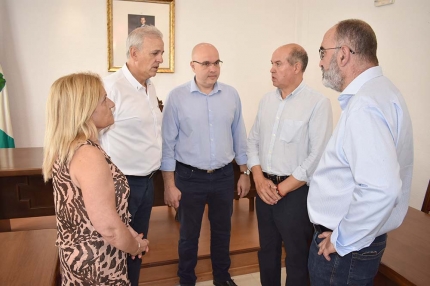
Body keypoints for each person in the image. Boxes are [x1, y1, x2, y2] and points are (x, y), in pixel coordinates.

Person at [307, 19, 414, 285]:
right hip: (358, 242)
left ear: (342, 54)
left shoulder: (364, 105)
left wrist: (342, 239)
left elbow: (382, 188)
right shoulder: (383, 91)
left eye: (323, 53)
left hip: (344, 252)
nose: (320, 62)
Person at [42, 73, 149, 285]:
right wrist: (135, 247)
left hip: (83, 258)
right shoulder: (88, 154)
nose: (111, 104)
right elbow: (108, 227)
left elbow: (94, 210)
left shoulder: (71, 147)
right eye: (103, 99)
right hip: (97, 265)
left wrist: (128, 233)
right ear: (84, 109)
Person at [161, 43, 250, 286]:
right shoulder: (177, 97)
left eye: (216, 63)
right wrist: (169, 184)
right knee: (189, 235)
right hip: (189, 177)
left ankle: (222, 277)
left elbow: (239, 135)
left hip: (223, 176)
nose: (213, 69)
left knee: (222, 232)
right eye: (206, 63)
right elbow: (167, 144)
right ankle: (186, 279)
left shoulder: (231, 95)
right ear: (192, 66)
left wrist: (244, 172)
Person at [247, 44, 333, 285]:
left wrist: (282, 188)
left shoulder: (317, 103)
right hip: (265, 189)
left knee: (297, 257)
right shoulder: (266, 101)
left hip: (296, 194)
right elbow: (252, 141)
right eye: (272, 64)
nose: (271, 69)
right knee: (267, 252)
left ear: (297, 67)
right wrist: (258, 178)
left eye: (277, 64)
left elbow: (316, 157)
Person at [100, 26, 164, 286]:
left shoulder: (149, 85)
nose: (161, 59)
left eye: (162, 53)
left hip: (147, 182)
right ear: (134, 53)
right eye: (155, 53)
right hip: (122, 184)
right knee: (117, 250)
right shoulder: (111, 87)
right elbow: (93, 136)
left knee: (139, 245)